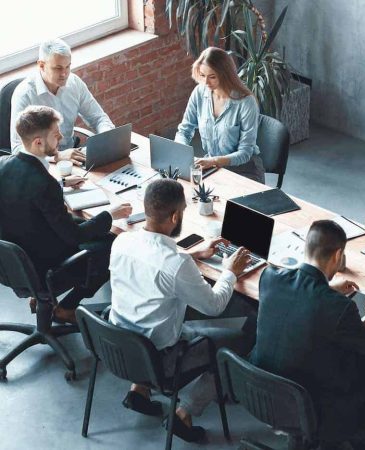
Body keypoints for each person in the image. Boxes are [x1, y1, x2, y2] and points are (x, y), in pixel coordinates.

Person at [109, 178, 254, 442]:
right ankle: (184, 413)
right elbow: (214, 306)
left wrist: (193, 256)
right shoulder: (175, 264)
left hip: (121, 347)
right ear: (175, 215)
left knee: (150, 310)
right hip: (160, 359)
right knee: (237, 344)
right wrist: (230, 272)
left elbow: (158, 261)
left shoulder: (122, 242)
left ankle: (139, 391)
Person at [250, 220, 365, 448]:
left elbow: (297, 303)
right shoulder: (338, 307)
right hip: (308, 405)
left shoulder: (269, 277)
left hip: (259, 390)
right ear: (338, 255)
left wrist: (326, 289)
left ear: (306, 247)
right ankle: (348, 430)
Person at [0, 106, 131, 323]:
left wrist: (60, 184)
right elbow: (74, 237)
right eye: (56, 133)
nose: (62, 137)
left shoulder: (4, 165)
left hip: (12, 262)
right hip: (43, 266)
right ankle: (67, 307)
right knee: (113, 244)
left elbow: (24, 196)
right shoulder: (43, 184)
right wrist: (110, 214)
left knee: (90, 226)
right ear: (38, 142)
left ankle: (39, 297)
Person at [10, 38, 114, 165]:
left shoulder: (74, 83)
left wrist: (107, 138)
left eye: (68, 66)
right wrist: (57, 157)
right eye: (58, 68)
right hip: (42, 163)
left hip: (73, 156)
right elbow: (17, 150)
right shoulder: (25, 94)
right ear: (41, 65)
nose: (64, 74)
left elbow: (98, 118)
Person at [175, 46, 265, 183]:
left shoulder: (246, 103)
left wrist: (214, 161)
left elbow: (245, 152)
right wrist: (181, 152)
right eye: (203, 75)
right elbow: (184, 131)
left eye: (212, 77)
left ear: (225, 75)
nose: (206, 82)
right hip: (213, 166)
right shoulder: (199, 92)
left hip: (244, 170)